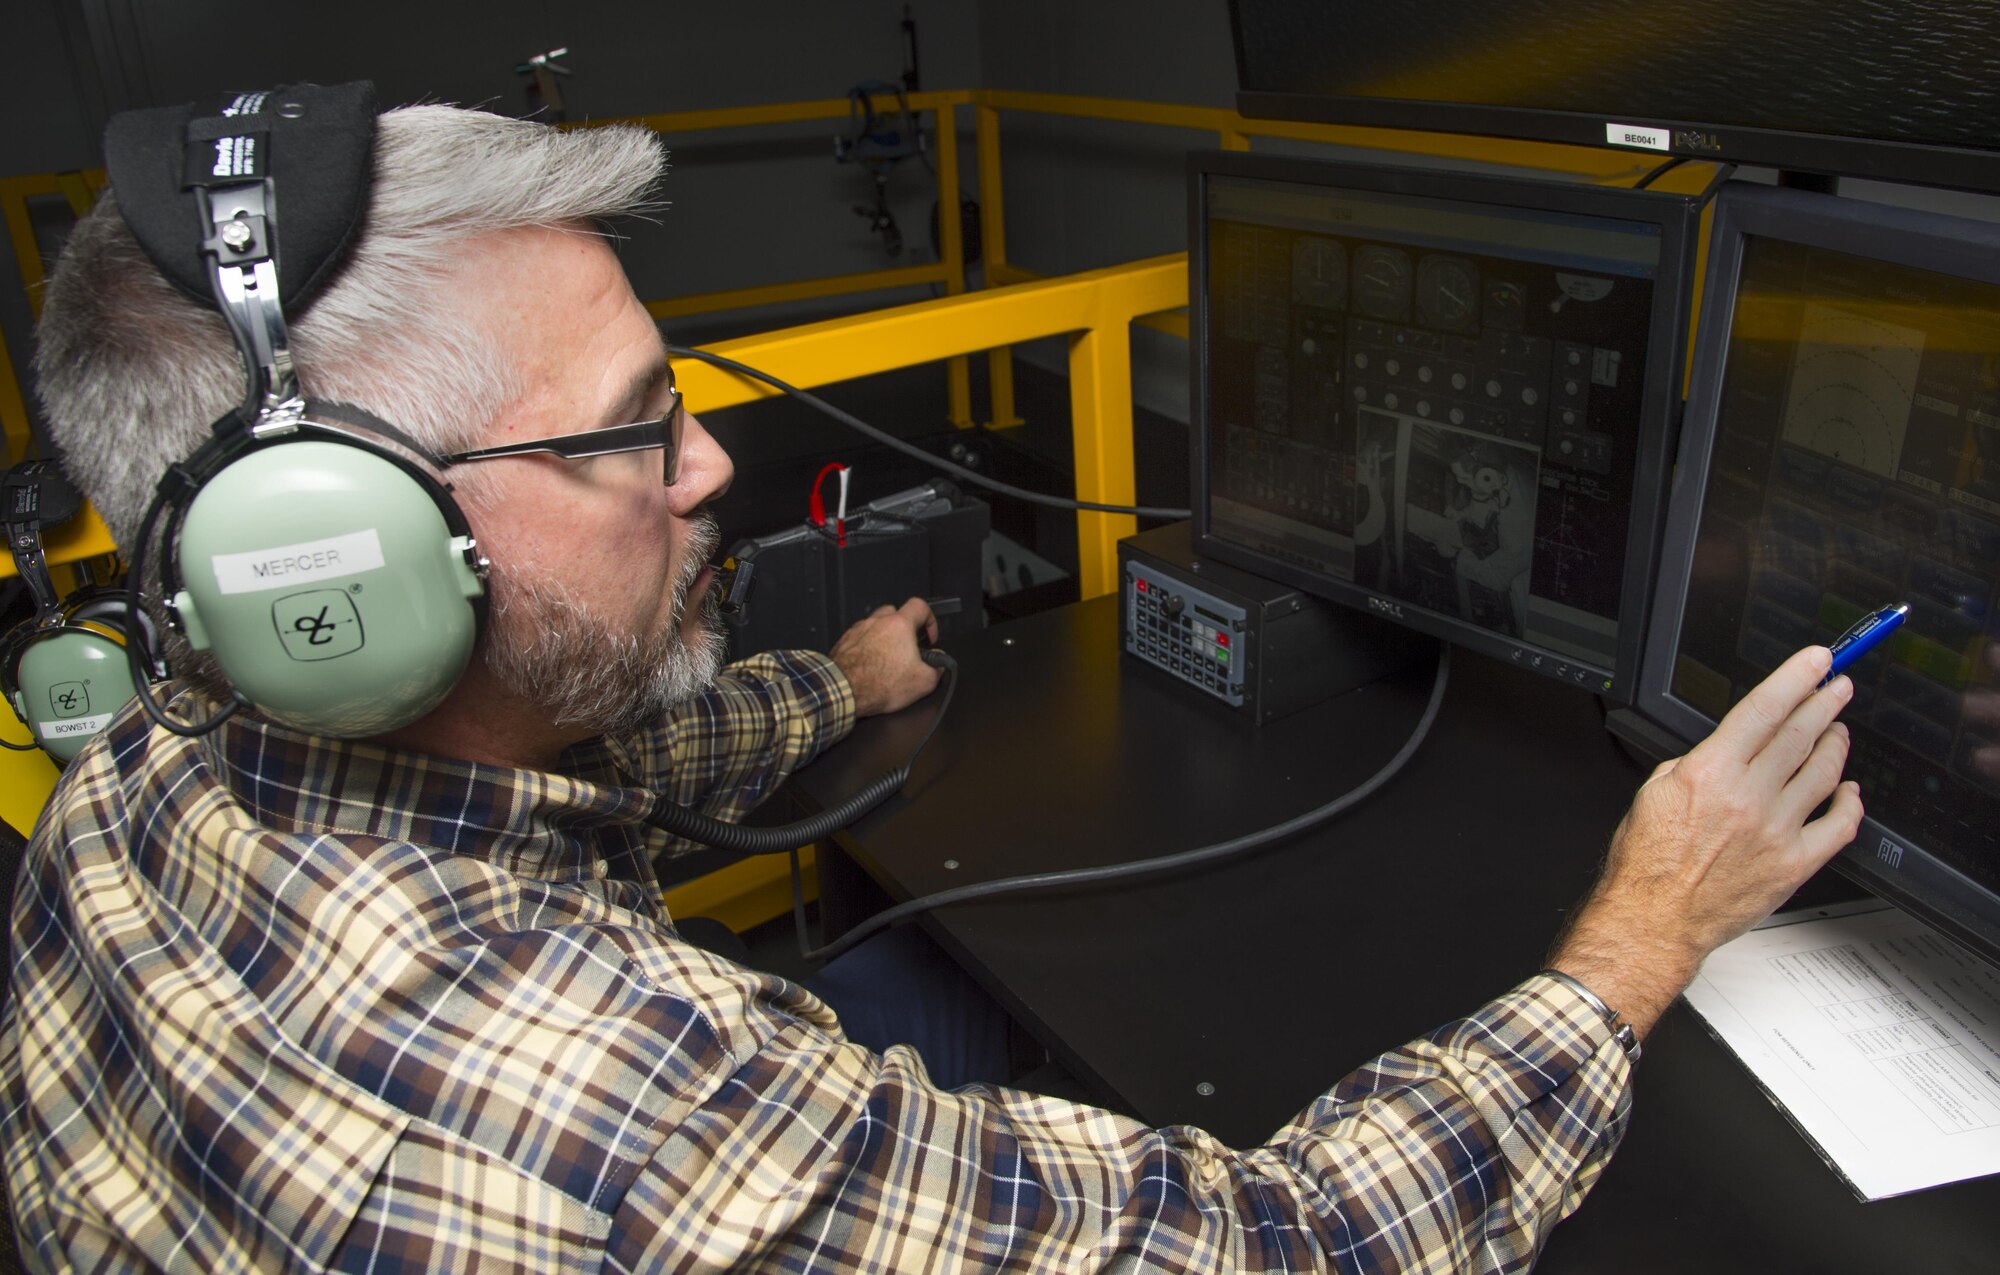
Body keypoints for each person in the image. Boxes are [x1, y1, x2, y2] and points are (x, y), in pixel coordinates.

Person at [1, 98, 1863, 1273]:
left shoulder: (147, 768)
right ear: (364, 557)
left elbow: (555, 751)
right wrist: (1644, 930)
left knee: (933, 977)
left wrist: (835, 681)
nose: (709, 464)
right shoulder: (639, 1124)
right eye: (639, 429)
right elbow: (1303, 1245)